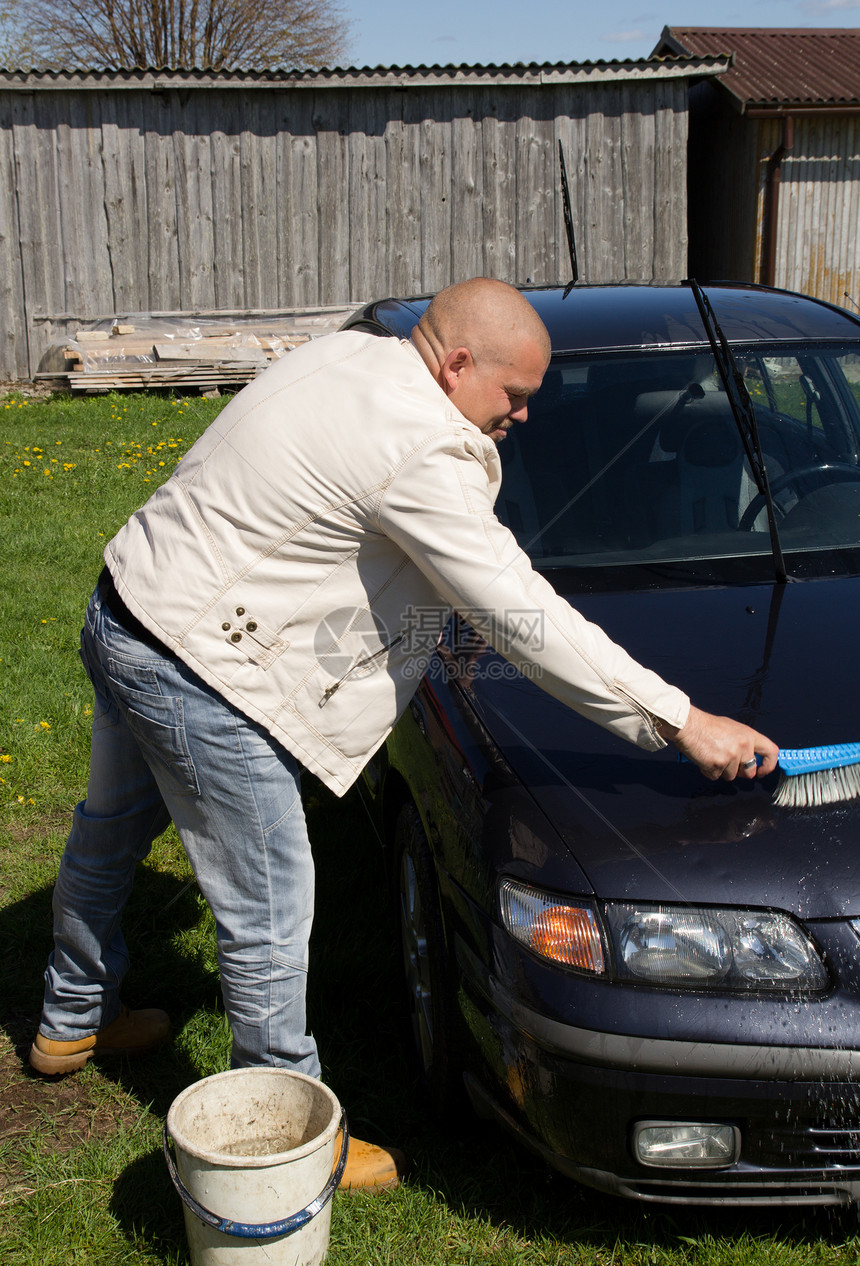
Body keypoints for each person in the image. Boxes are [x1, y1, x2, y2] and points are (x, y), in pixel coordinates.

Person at [28, 278, 779, 1190]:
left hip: (130, 605)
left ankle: (72, 1017)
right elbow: (522, 612)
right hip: (199, 673)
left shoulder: (349, 355)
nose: (526, 416)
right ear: (457, 365)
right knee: (269, 905)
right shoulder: (420, 444)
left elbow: (319, 531)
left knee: (110, 827)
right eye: (515, 396)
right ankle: (282, 1140)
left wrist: (413, 632)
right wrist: (680, 720)